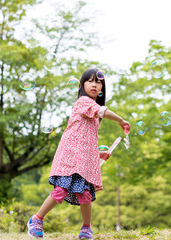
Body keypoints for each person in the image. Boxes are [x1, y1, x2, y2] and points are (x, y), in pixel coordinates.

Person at [27, 68, 130, 239]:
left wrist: (98, 154)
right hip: (69, 158)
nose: (95, 85)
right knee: (61, 190)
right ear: (82, 85)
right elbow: (102, 111)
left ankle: (86, 228)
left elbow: (84, 142)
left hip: (82, 161)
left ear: (102, 87)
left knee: (85, 195)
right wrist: (121, 120)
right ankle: (36, 219)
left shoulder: (94, 113)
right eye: (90, 81)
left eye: (98, 82)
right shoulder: (83, 101)